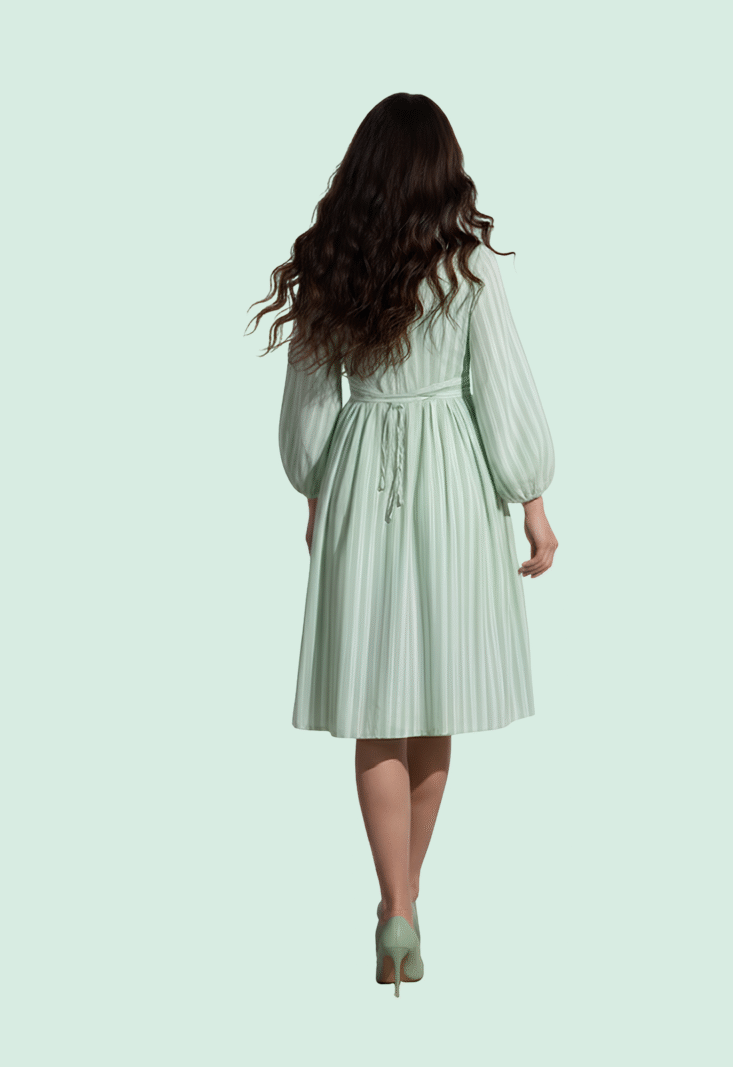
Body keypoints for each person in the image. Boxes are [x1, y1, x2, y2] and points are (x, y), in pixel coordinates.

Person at [246, 92, 558, 997]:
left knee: (377, 705)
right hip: (454, 478)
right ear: (442, 170)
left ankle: (397, 901)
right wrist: (534, 503)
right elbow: (503, 391)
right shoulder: (467, 266)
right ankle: (405, 899)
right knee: (436, 697)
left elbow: (310, 410)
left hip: (361, 477)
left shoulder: (333, 262)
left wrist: (317, 489)